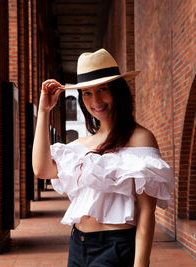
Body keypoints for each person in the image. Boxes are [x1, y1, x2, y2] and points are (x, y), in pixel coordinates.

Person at [32, 48, 174, 267]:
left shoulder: (140, 140)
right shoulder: (82, 146)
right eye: (87, 93)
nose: (95, 100)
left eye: (102, 89)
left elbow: (146, 213)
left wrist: (140, 264)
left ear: (118, 91)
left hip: (116, 249)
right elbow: (41, 169)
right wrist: (43, 111)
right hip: (78, 246)